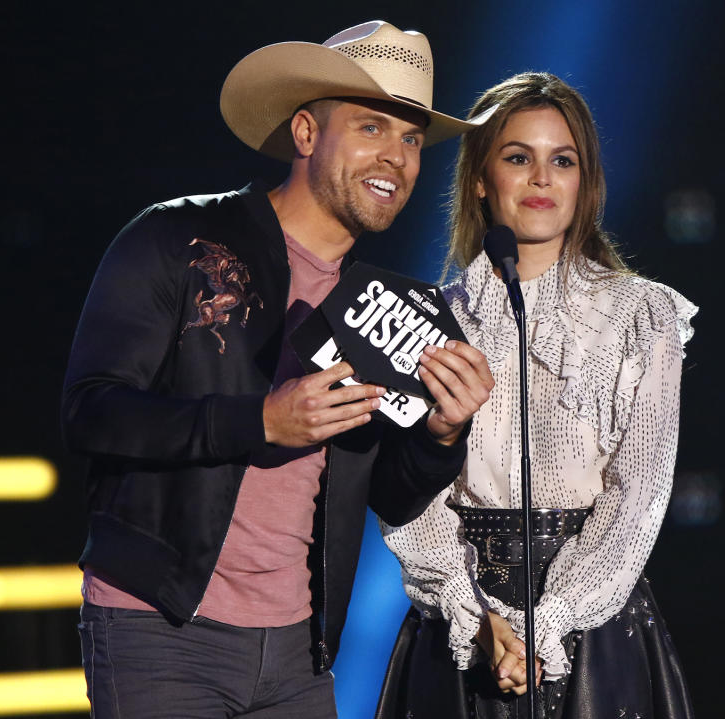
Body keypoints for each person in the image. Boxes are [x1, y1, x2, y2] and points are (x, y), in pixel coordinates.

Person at [62, 20, 494, 719]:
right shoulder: (177, 238)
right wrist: (259, 420)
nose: (397, 157)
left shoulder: (381, 306)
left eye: (412, 138)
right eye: (371, 127)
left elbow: (386, 491)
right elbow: (91, 411)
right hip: (160, 631)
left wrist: (440, 435)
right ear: (304, 133)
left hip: (298, 655)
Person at [376, 72, 697, 719]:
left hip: (592, 626)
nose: (541, 178)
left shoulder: (640, 313)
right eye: (518, 158)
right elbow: (404, 496)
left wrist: (547, 620)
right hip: (459, 625)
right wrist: (476, 615)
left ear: (586, 181)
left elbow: (637, 493)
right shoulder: (426, 320)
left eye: (562, 160)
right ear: (479, 177)